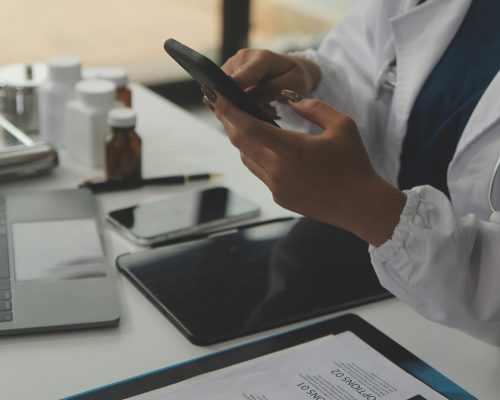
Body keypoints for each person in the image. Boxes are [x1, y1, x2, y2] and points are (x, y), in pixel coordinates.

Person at [200, 0, 500, 346]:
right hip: (379, 269)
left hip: (474, 343)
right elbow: (376, 90)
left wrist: (365, 204)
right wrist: (308, 80)